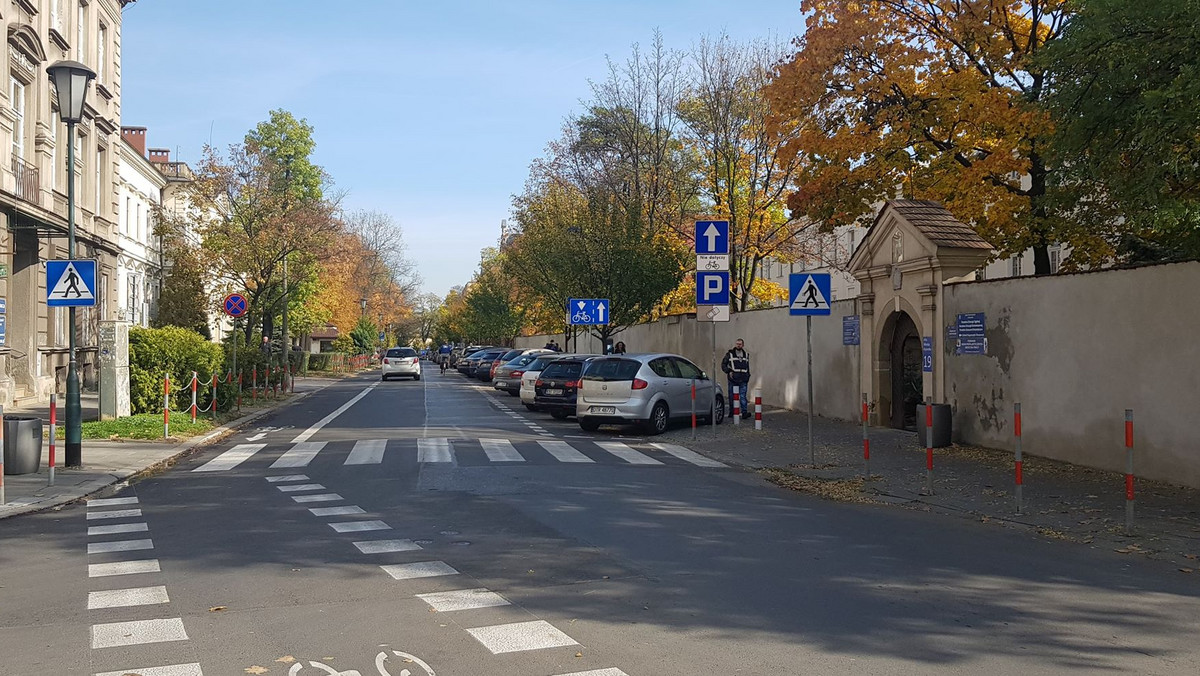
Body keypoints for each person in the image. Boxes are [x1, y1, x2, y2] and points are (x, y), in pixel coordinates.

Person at [721, 338, 751, 418]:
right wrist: (728, 371)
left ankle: (744, 413)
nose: (738, 345)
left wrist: (748, 375)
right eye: (737, 344)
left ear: (743, 345)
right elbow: (723, 364)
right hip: (733, 379)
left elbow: (747, 367)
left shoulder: (746, 354)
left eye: (740, 344)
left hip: (743, 378)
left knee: (742, 396)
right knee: (732, 396)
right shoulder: (730, 354)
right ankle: (732, 412)